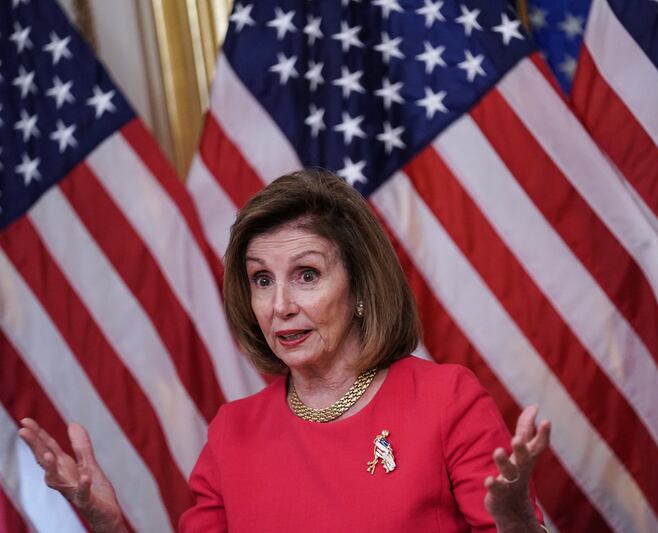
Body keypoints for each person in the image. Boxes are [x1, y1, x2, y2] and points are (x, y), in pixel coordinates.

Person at [18, 168, 551, 532]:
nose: (280, 306)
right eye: (261, 281)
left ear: (361, 287)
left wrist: (516, 522)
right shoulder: (233, 434)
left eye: (306, 275)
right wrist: (110, 524)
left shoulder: (445, 400)